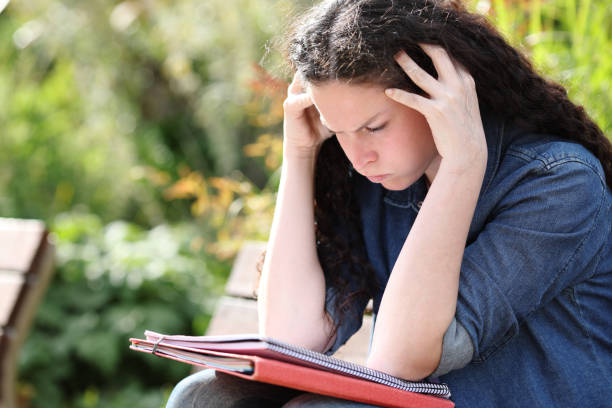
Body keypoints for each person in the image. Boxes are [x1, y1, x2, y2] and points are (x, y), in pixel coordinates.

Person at [166, 0, 612, 406]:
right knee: (202, 398)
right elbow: (289, 341)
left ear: (439, 92)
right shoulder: (379, 182)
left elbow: (400, 360)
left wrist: (462, 164)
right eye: (337, 131)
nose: (360, 157)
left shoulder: (557, 183)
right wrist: (299, 155)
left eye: (374, 127)